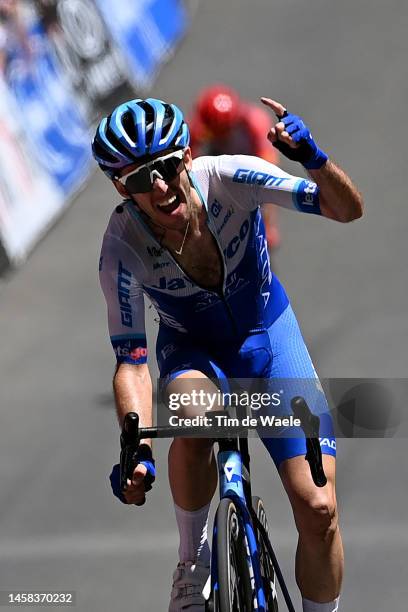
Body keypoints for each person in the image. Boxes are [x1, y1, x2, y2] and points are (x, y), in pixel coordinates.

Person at [92, 96, 363, 612]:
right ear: (120, 189)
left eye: (168, 168)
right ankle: (191, 564)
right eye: (139, 181)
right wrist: (136, 449)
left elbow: (348, 210)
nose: (161, 188)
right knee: (194, 418)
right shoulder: (120, 245)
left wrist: (314, 159)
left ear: (188, 156)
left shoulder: (234, 178)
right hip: (192, 351)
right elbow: (131, 361)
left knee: (320, 510)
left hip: (266, 332)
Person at [190, 84, 281, 252]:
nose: (221, 136)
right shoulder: (198, 129)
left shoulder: (255, 122)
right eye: (217, 133)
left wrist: (268, 221)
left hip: (250, 165)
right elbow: (189, 163)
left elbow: (269, 169)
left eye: (225, 131)